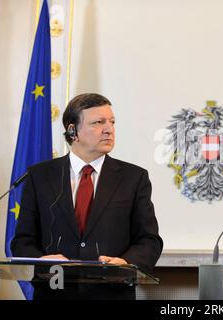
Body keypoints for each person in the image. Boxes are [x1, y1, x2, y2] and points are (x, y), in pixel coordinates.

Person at [11, 93, 163, 300]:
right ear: (73, 131)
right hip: (54, 293)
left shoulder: (134, 178)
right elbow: (22, 241)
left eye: (112, 122)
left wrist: (126, 262)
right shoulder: (40, 176)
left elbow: (149, 240)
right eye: (98, 122)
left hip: (111, 294)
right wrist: (42, 260)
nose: (109, 129)